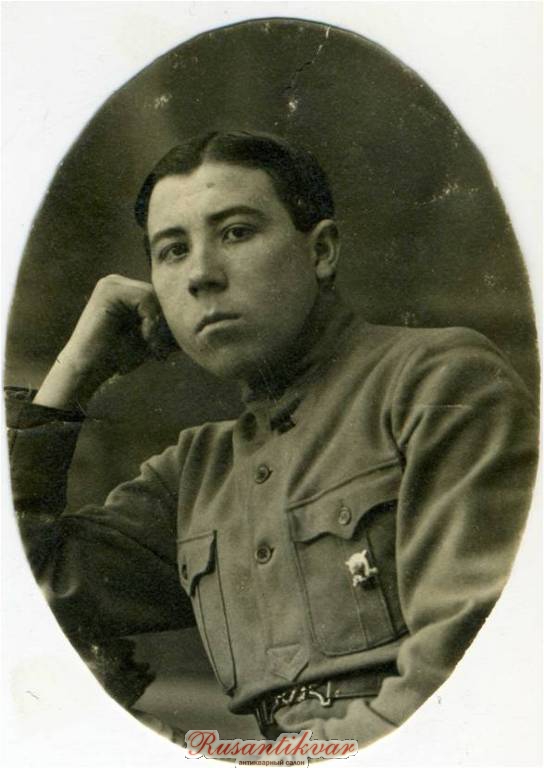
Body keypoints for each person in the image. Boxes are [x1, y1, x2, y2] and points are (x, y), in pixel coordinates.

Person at [6, 131, 537, 747]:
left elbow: (466, 675)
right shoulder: (197, 473)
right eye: (173, 251)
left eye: (236, 232)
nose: (201, 275)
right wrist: (73, 373)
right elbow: (25, 590)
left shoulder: (436, 382)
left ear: (322, 251)